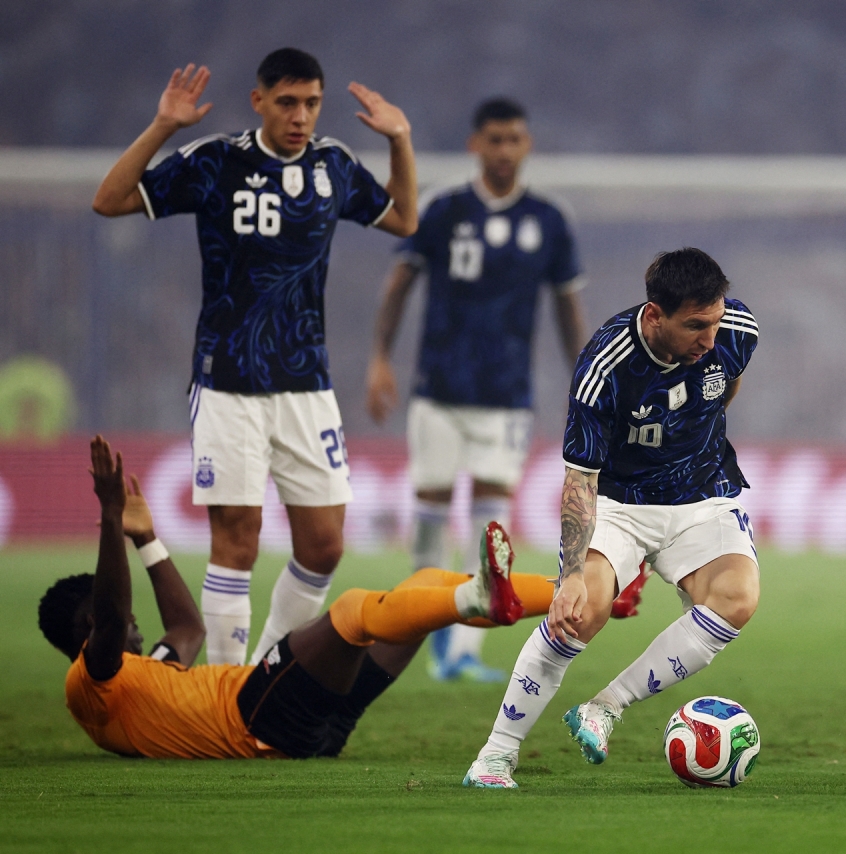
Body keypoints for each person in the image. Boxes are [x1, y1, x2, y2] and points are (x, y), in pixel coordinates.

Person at [92, 48, 420, 666]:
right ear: (260, 101)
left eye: (312, 104)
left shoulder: (334, 166)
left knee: (324, 547)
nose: (301, 116)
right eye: (289, 102)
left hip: (306, 383)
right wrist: (165, 125)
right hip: (228, 382)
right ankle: (223, 683)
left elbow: (404, 218)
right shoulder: (217, 161)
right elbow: (109, 200)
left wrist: (400, 139)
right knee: (236, 542)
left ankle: (266, 669)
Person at [38, 436, 556, 760]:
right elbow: (110, 617)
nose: (134, 623)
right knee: (354, 611)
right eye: (124, 620)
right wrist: (109, 519)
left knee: (414, 597)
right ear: (88, 626)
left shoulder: (136, 678)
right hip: (255, 717)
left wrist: (147, 540)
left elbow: (187, 630)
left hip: (306, 728)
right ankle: (480, 598)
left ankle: (570, 599)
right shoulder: (90, 683)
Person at [463, 248, 760, 789]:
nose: (709, 339)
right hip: (620, 503)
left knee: (737, 599)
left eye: (714, 322)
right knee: (579, 613)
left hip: (701, 494)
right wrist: (570, 574)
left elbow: (725, 386)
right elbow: (580, 481)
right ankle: (495, 756)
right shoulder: (606, 366)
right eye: (695, 326)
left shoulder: (738, 331)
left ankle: (605, 706)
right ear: (655, 316)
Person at [366, 96, 590, 682]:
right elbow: (400, 285)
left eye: (514, 139)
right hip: (437, 388)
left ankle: (463, 652)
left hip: (505, 395)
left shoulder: (550, 219)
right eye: (494, 139)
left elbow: (568, 309)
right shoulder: (441, 207)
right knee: (431, 510)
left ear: (527, 145)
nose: (504, 150)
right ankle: (414, 631)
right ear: (475, 145)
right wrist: (380, 359)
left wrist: (586, 381)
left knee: (492, 526)